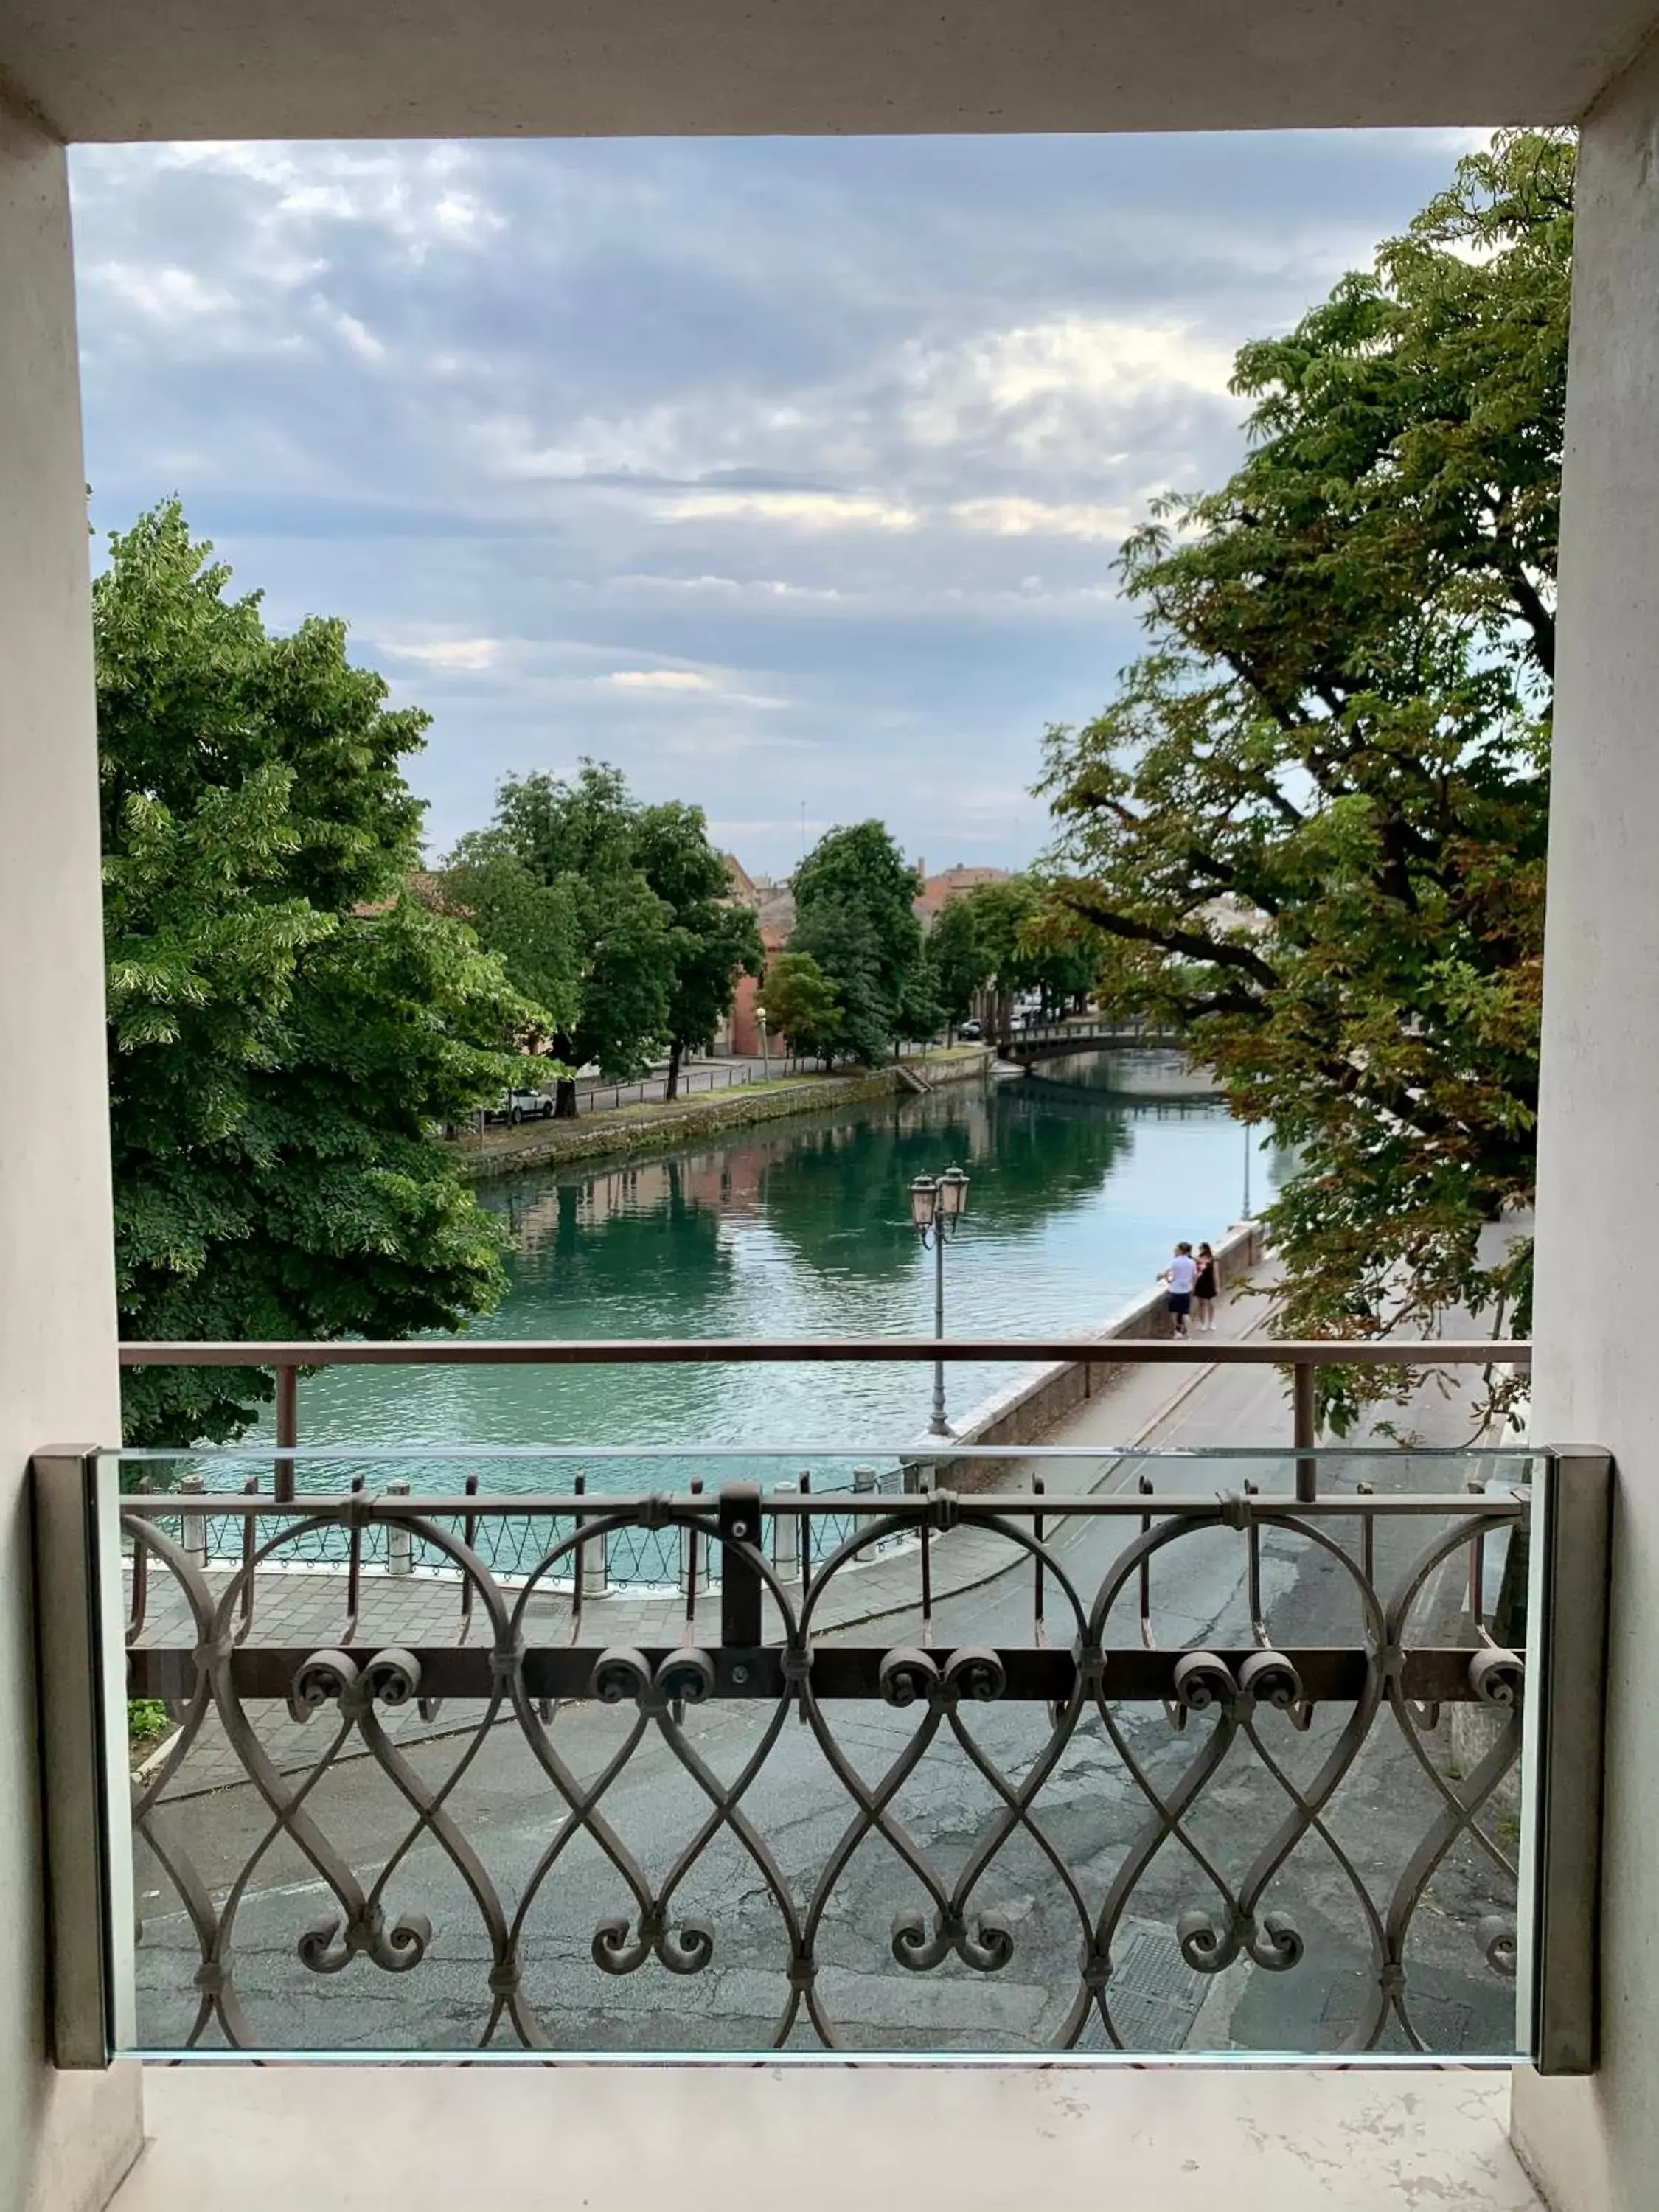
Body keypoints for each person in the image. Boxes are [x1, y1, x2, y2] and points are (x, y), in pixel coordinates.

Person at [1160, 1242, 1198, 1338]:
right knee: (1186, 1313)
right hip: (1186, 1290)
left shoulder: (1175, 1261)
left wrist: (1169, 1280)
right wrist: (1192, 1285)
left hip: (1175, 1290)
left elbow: (1165, 1273)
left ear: (1181, 1250)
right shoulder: (1191, 1262)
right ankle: (1189, 1335)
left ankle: (1176, 1332)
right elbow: (1195, 1275)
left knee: (1174, 1312)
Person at [1193, 1240, 1219, 1333]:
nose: (1199, 1250)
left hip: (1210, 1283)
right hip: (1201, 1283)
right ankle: (1203, 1322)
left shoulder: (1213, 1260)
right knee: (1202, 1304)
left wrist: (1217, 1286)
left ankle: (1211, 1322)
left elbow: (1216, 1273)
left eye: (1200, 1248)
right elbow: (1196, 1273)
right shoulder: (1198, 1260)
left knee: (1211, 1304)